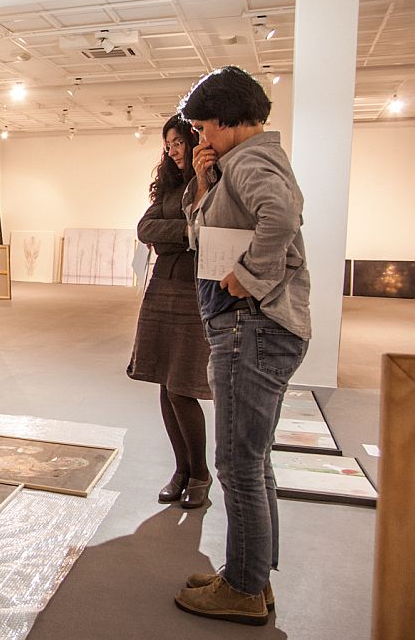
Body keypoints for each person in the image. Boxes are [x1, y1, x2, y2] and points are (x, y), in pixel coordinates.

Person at [173, 66, 310, 626]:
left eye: (204, 126)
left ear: (228, 121)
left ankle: (244, 589)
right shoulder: (238, 164)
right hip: (252, 328)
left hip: (251, 327)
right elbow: (204, 230)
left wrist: (248, 277)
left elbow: (281, 215)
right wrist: (205, 182)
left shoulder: (251, 161)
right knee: (253, 460)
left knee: (238, 463)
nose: (201, 137)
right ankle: (251, 575)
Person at [127, 116, 212, 509]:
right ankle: (181, 470)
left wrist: (178, 233)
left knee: (182, 388)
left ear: (194, 140)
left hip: (194, 292)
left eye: (178, 142)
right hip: (162, 287)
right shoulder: (168, 186)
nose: (174, 150)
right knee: (164, 384)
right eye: (169, 145)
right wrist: (183, 233)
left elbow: (208, 230)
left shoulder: (209, 181)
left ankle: (200, 474)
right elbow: (145, 228)